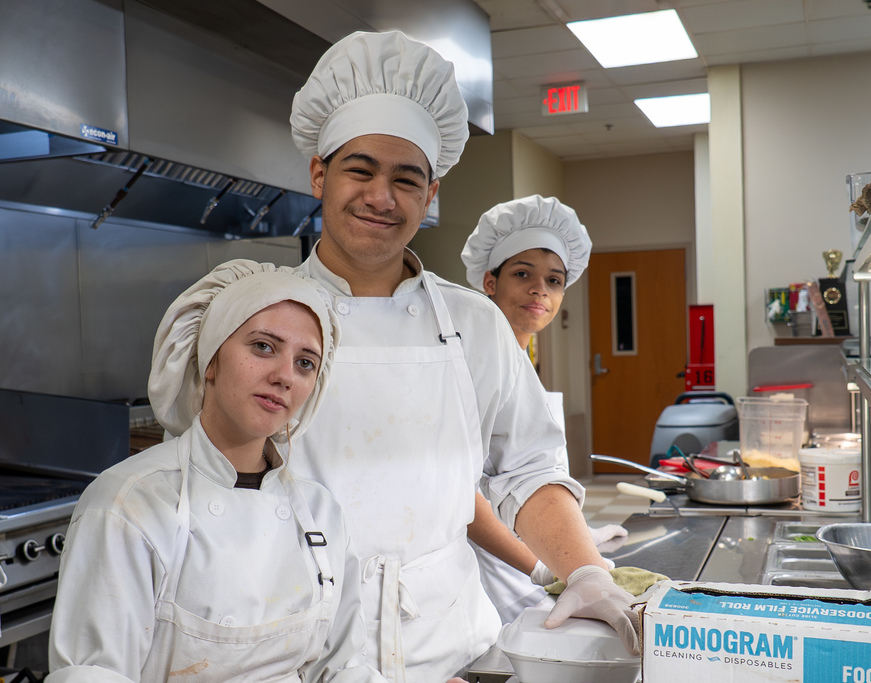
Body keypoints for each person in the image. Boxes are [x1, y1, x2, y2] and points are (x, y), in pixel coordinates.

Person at [287, 30, 640, 682]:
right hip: (306, 654)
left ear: (431, 194)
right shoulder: (262, 321)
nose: (381, 196)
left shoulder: (473, 324)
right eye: (359, 169)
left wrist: (583, 570)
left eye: (406, 178)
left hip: (456, 653)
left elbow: (528, 471)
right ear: (318, 173)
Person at [47, 262, 387, 683]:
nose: (284, 376)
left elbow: (341, 671)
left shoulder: (320, 514)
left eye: (305, 363)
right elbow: (94, 676)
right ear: (209, 360)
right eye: (263, 346)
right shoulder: (129, 504)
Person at [460, 194, 627, 624]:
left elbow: (527, 469)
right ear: (490, 282)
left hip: (530, 550)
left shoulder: (525, 361)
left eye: (554, 281)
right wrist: (542, 567)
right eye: (522, 274)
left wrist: (576, 540)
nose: (540, 289)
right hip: (494, 569)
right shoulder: (470, 365)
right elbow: (461, 495)